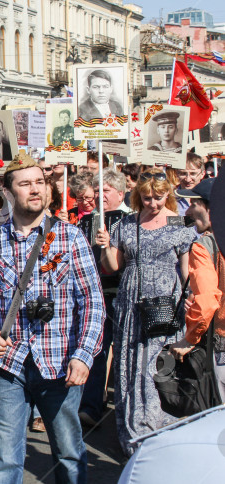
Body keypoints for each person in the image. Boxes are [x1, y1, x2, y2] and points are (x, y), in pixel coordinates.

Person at [0, 151, 105, 482]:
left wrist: (84, 356)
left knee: (69, 453)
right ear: (9, 192)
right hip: (9, 364)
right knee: (3, 457)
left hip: (59, 364)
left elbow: (92, 301)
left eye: (40, 182)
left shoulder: (71, 237)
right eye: (25, 183)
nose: (35, 189)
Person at [96, 168, 198, 456]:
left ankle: (163, 423)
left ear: (169, 194)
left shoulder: (181, 223)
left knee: (159, 363)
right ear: (138, 196)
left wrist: (189, 299)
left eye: (159, 196)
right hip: (132, 300)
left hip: (167, 301)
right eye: (147, 197)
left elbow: (186, 268)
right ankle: (137, 429)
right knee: (132, 363)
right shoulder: (126, 224)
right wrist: (105, 246)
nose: (153, 203)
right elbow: (113, 266)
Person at [75, 169, 133, 427]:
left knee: (122, 352)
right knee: (96, 350)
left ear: (120, 193)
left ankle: (125, 407)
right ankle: (90, 406)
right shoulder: (89, 219)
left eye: (105, 191)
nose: (99, 196)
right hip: (93, 292)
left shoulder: (131, 220)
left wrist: (109, 245)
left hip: (120, 292)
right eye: (97, 191)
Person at [168, 179, 225, 400]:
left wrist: (189, 338)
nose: (188, 210)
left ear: (211, 208)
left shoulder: (206, 245)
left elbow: (208, 300)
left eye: (194, 204)